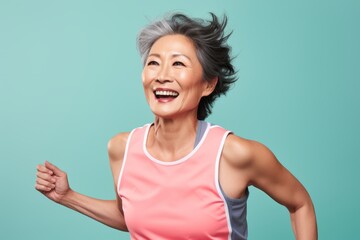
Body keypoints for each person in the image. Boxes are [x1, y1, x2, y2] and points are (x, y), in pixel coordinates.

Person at [35, 12, 317, 240]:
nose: (162, 76)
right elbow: (131, 218)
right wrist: (68, 197)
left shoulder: (234, 155)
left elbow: (300, 203)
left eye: (178, 64)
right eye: (154, 63)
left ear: (207, 84)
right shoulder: (121, 148)